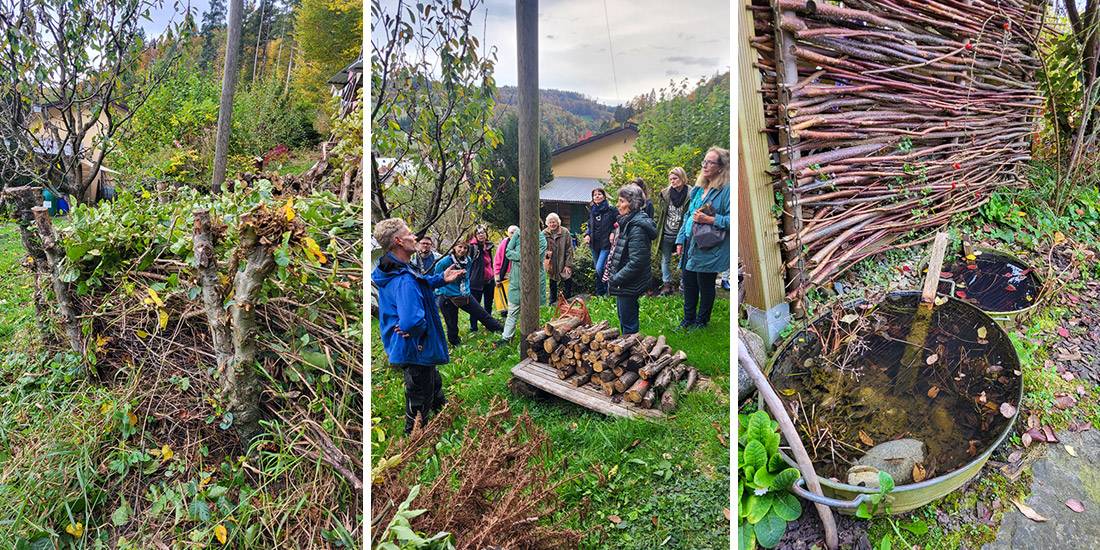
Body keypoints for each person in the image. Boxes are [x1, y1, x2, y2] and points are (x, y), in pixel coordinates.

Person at [371, 218, 466, 434]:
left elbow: (419, 282)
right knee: (419, 392)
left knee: (432, 379)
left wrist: (441, 278)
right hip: (415, 347)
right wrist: (416, 330)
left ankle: (443, 412)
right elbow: (411, 320)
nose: (415, 237)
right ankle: (413, 435)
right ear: (398, 241)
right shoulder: (403, 280)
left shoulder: (396, 268)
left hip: (413, 346)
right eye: (409, 234)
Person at [676, 146, 731, 329]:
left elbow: (732, 219)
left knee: (705, 285)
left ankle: (702, 321)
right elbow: (688, 215)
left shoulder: (726, 191)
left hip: (709, 246)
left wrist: (710, 219)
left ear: (721, 167)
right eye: (704, 162)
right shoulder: (698, 190)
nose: (705, 165)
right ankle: (687, 319)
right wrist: (680, 238)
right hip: (690, 243)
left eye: (710, 162)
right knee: (689, 282)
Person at [605, 184, 657, 335]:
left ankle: (632, 352)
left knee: (628, 322)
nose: (618, 205)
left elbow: (637, 262)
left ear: (632, 203)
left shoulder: (637, 228)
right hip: (625, 281)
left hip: (628, 281)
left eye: (621, 201)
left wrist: (616, 278)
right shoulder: (628, 221)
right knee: (624, 317)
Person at [433, 241, 503, 346]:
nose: (462, 250)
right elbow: (437, 278)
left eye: (465, 248)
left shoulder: (468, 260)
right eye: (460, 247)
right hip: (447, 296)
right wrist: (444, 291)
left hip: (464, 294)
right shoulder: (444, 262)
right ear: (454, 247)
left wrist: (465, 290)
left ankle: (501, 331)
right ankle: (455, 343)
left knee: (481, 313)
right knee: (452, 323)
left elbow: (466, 278)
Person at [500, 227, 547, 343]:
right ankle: (506, 338)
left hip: (532, 280)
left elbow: (537, 256)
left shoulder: (540, 236)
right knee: (512, 311)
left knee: (531, 313)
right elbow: (508, 252)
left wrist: (519, 256)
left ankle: (532, 338)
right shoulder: (517, 234)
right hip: (516, 280)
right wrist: (525, 256)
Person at [656, 167, 691, 295]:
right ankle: (667, 284)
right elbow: (661, 214)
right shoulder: (665, 193)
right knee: (665, 259)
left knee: (685, 258)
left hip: (683, 232)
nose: (672, 181)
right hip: (666, 232)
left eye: (675, 178)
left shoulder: (691, 193)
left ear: (682, 178)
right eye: (670, 179)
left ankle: (684, 283)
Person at [584, 188, 615, 296]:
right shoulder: (592, 210)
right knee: (598, 271)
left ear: (604, 196)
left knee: (600, 268)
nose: (597, 196)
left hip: (605, 244)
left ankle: (607, 291)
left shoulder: (611, 210)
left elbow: (618, 224)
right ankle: (600, 293)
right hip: (594, 244)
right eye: (595, 195)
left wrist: (613, 232)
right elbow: (589, 225)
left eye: (599, 194)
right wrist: (587, 234)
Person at [467, 226, 495, 331]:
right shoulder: (472, 247)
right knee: (475, 305)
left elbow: (489, 263)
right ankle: (473, 327)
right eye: (478, 233)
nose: (481, 235)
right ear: (475, 235)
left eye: (483, 232)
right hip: (476, 281)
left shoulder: (488, 246)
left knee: (488, 304)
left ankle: (489, 324)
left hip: (489, 280)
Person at [543, 213, 575, 301]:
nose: (552, 224)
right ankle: (552, 300)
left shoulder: (565, 232)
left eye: (554, 222)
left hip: (563, 260)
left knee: (567, 277)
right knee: (552, 280)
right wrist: (546, 255)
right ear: (547, 224)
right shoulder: (544, 234)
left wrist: (568, 264)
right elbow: (540, 248)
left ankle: (568, 299)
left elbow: (569, 249)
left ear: (558, 222)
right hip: (551, 261)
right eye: (550, 222)